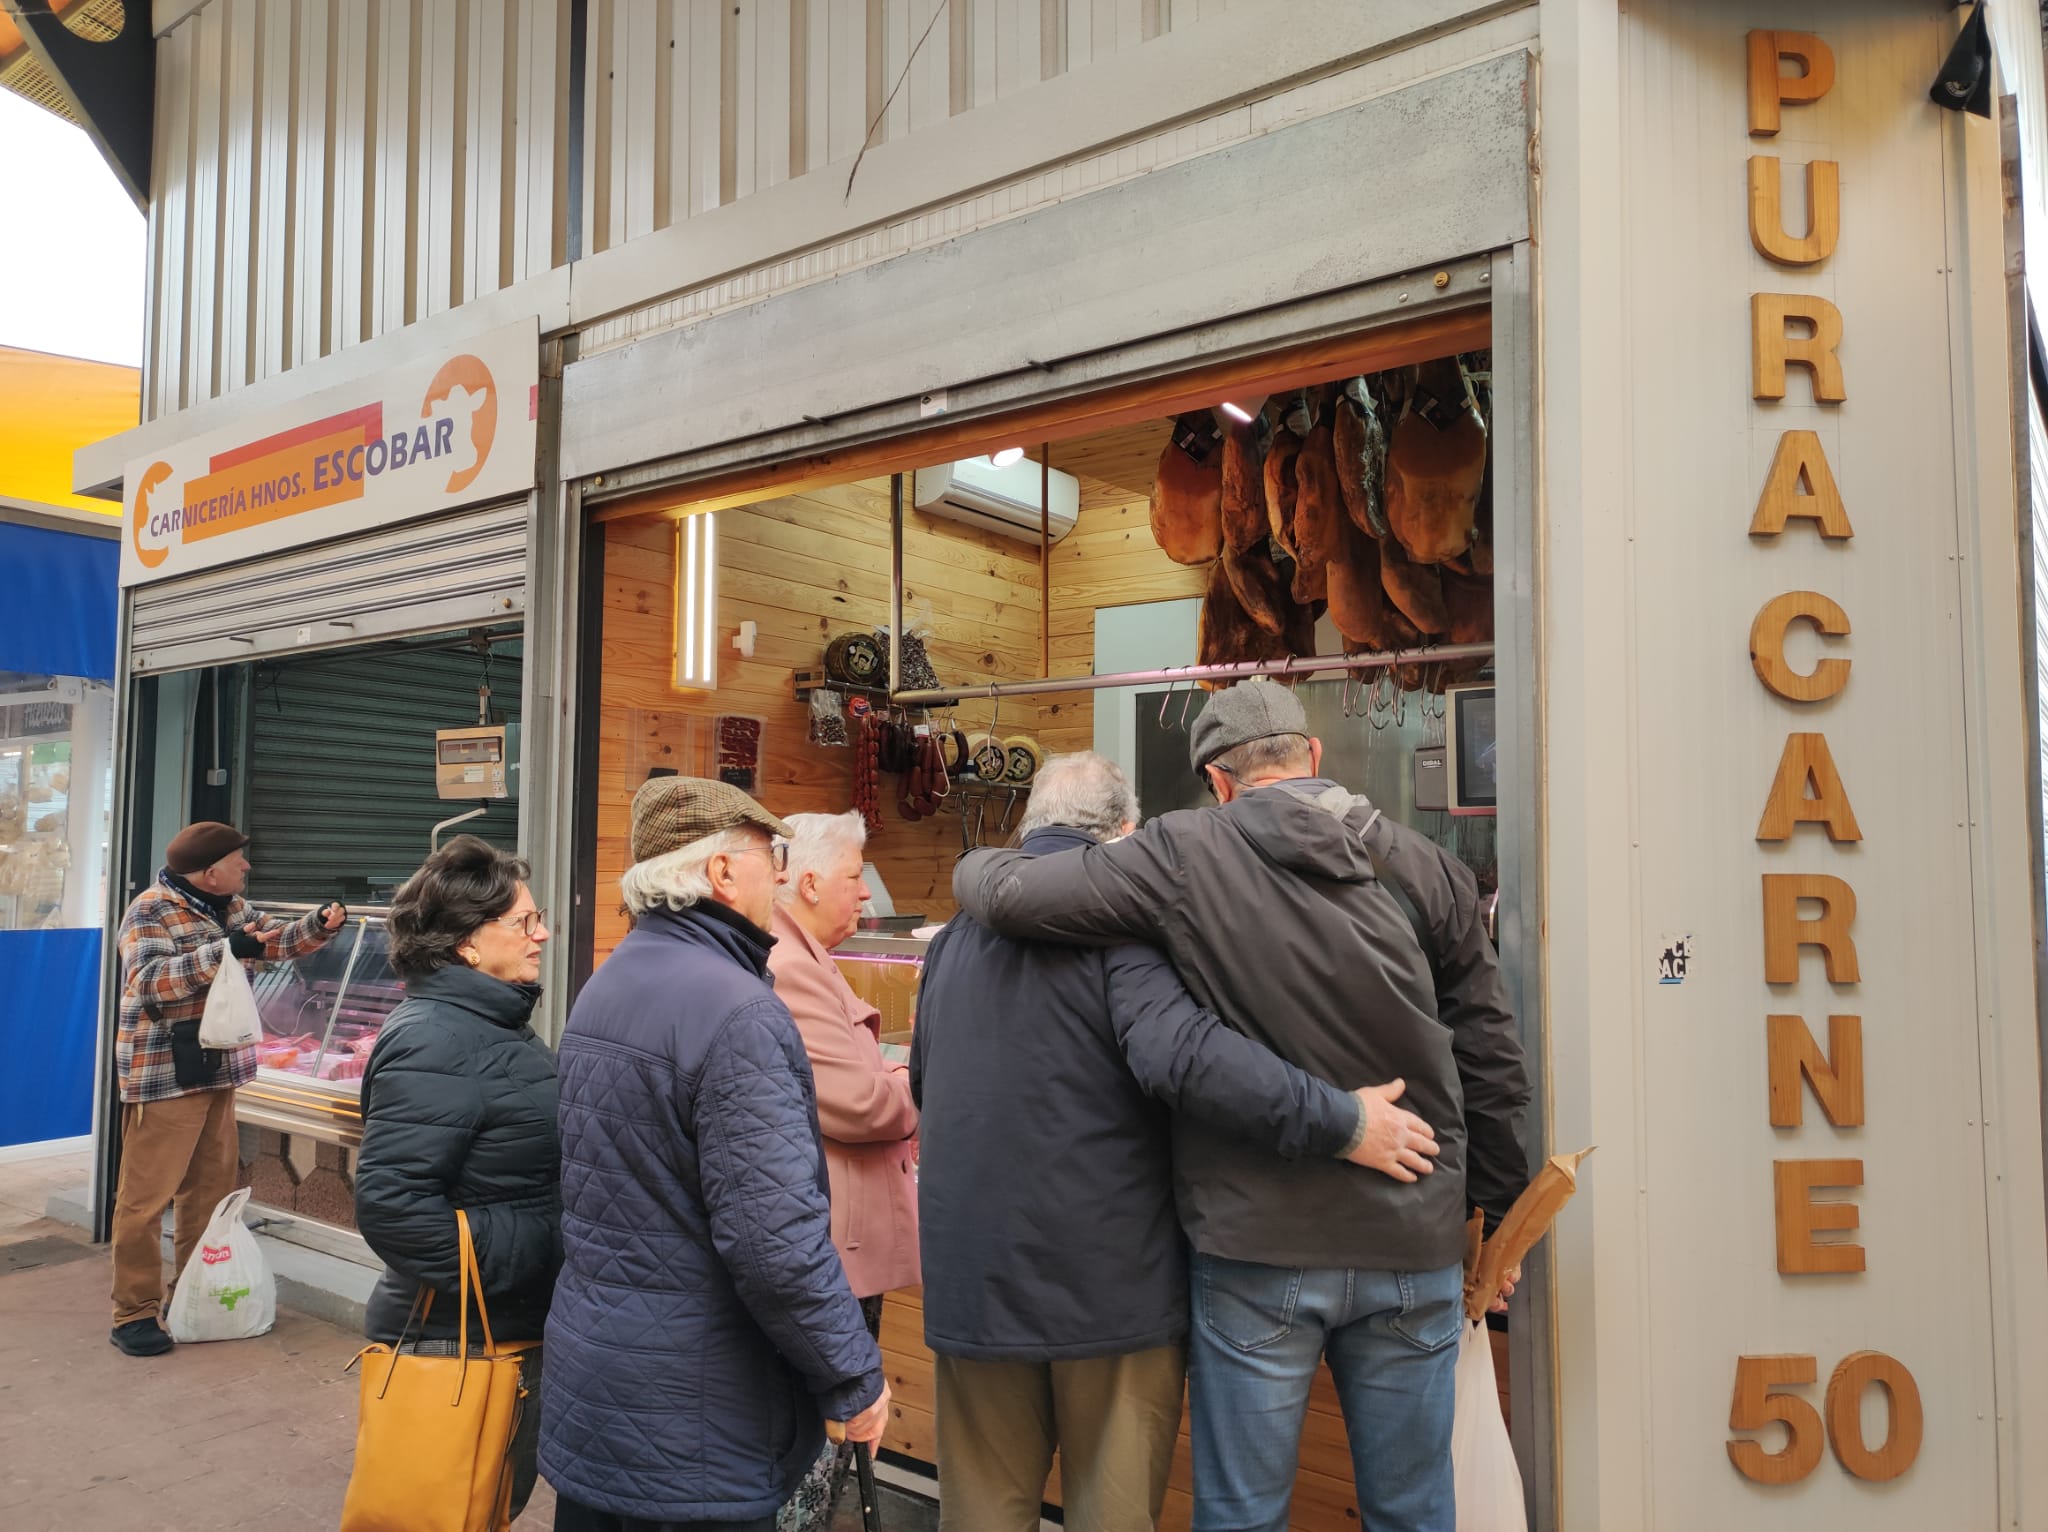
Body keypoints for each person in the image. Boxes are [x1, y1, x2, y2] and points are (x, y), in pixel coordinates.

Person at [954, 681, 1532, 1532]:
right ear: (1313, 758)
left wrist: (973, 864)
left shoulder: (1178, 852)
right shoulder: (1425, 863)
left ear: (1217, 781)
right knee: (1413, 1510)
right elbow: (1489, 1051)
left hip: (1257, 1249)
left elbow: (1012, 900)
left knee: (1241, 1515)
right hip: (1414, 1239)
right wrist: (1498, 1216)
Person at [541, 777, 889, 1532]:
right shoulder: (739, 1011)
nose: (778, 871)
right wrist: (853, 1374)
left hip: (600, 1377)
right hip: (697, 1409)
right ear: (722, 872)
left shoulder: (608, 981)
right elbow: (775, 1243)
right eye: (769, 852)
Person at [353, 836, 560, 1522]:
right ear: (468, 944)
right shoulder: (437, 1037)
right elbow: (391, 1206)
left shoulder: (491, 1020)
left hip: (497, 1327)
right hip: (459, 1336)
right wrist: (537, 1248)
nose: (543, 934)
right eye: (525, 922)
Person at [108, 821, 345, 1357]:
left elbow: (275, 939)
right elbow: (148, 979)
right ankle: (133, 1312)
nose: (247, 868)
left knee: (207, 1195)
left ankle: (190, 1295)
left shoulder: (231, 905)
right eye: (239, 861)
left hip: (219, 1070)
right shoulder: (151, 908)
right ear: (210, 870)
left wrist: (321, 924)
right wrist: (223, 952)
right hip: (165, 1071)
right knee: (145, 1201)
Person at [765, 812, 919, 1532]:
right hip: (826, 1252)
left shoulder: (805, 954)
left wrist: (894, 1074)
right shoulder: (787, 965)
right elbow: (859, 1102)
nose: (866, 895)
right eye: (857, 876)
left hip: (833, 1243)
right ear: (808, 879)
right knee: (820, 1446)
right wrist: (925, 1077)